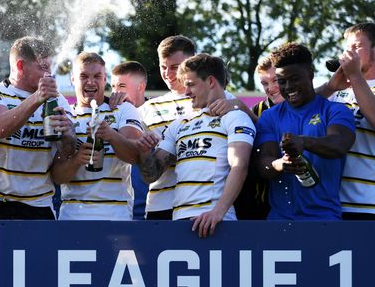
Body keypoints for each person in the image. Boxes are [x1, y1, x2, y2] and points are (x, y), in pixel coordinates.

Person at [140, 54, 254, 237]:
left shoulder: (235, 116)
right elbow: (151, 175)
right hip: (178, 221)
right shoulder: (180, 123)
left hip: (216, 222)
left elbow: (240, 166)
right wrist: (144, 152)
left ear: (210, 82)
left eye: (191, 85)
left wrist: (218, 212)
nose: (186, 92)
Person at [0, 36, 76, 220]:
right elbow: (1, 128)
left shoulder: (58, 99)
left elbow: (68, 151)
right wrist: (38, 97)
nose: (49, 74)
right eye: (42, 67)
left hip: (41, 204)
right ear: (21, 66)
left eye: (50, 67)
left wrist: (68, 135)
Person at [256, 43, 355, 220]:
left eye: (294, 79)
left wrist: (305, 142)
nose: (288, 87)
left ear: (310, 74)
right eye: (282, 81)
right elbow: (264, 163)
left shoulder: (336, 110)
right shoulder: (269, 117)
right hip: (279, 222)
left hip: (324, 219)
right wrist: (280, 164)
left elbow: (339, 145)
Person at [57, 52, 152, 220]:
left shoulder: (123, 108)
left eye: (97, 76)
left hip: (115, 214)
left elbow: (135, 156)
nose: (91, 82)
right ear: (73, 79)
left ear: (105, 79)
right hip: (72, 214)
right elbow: (56, 177)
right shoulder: (66, 116)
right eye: (83, 76)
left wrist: (112, 136)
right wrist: (77, 160)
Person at [316, 22, 375, 219]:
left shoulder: (357, 81)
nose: (349, 54)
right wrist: (330, 87)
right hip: (332, 206)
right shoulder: (338, 89)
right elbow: (299, 109)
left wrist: (356, 76)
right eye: (346, 48)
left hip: (368, 205)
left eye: (356, 47)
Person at [234, 57, 283, 220]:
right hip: (260, 201)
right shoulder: (257, 110)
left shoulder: (309, 107)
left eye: (275, 80)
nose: (271, 88)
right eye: (264, 83)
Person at [110, 61, 150, 220]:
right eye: (112, 86)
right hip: (122, 211)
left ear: (140, 87)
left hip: (152, 210)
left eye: (121, 86)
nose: (115, 92)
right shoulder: (109, 113)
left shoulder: (158, 112)